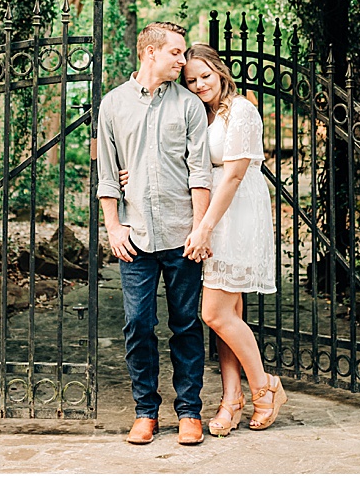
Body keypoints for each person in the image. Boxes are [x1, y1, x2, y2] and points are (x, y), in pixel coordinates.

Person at [128, 43, 285, 435]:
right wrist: (139, 180)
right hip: (211, 214)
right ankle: (232, 399)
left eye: (205, 76)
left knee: (213, 313)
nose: (199, 85)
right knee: (228, 317)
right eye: (191, 79)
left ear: (221, 71)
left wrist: (204, 228)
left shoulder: (242, 111)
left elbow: (232, 176)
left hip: (233, 214)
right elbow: (180, 162)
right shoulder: (201, 112)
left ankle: (266, 387)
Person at [96, 21, 213, 446]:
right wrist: (113, 226)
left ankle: (189, 413)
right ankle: (146, 412)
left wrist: (200, 229)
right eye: (176, 53)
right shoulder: (112, 105)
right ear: (150, 53)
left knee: (186, 325)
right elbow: (107, 175)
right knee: (137, 324)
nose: (183, 61)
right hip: (136, 237)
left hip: (183, 235)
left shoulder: (188, 106)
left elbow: (200, 172)